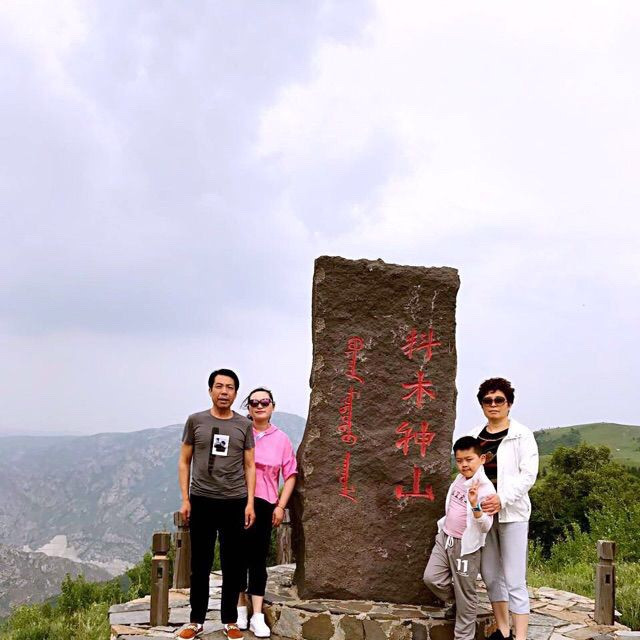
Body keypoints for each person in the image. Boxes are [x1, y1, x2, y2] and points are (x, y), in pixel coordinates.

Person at [176, 369, 256, 640]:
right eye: (219, 386)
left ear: (236, 393)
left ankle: (230, 620)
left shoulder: (244, 425)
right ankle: (196, 620)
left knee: (233, 564)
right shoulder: (195, 421)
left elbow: (250, 465)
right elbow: (184, 461)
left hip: (235, 501)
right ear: (210, 390)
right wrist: (185, 498)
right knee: (200, 564)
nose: (224, 392)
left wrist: (250, 503)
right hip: (202, 500)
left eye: (229, 387)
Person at [468, 377, 539, 640]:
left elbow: (528, 475)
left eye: (499, 399)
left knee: (514, 578)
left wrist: (502, 499)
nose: (493, 404)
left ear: (509, 404)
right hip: (483, 516)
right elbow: (468, 472)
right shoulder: (475, 436)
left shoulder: (521, 435)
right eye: (488, 400)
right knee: (490, 574)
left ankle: (520, 636)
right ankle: (503, 630)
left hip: (512, 514)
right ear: (482, 405)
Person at [236, 387, 297, 638]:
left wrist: (281, 506)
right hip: (237, 501)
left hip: (265, 503)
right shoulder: (240, 433)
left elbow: (290, 474)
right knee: (237, 556)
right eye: (254, 402)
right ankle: (240, 607)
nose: (260, 406)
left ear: (272, 406)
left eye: (265, 402)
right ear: (248, 408)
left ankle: (257, 615)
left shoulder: (281, 439)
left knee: (258, 560)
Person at [423, 436, 496, 640]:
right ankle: (458, 602)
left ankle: (463, 636)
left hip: (466, 546)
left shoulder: (486, 489)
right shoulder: (459, 479)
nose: (464, 465)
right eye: (459, 460)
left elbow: (486, 526)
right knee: (432, 578)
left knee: (467, 595)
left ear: (481, 459)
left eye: (469, 459)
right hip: (445, 537)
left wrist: (475, 506)